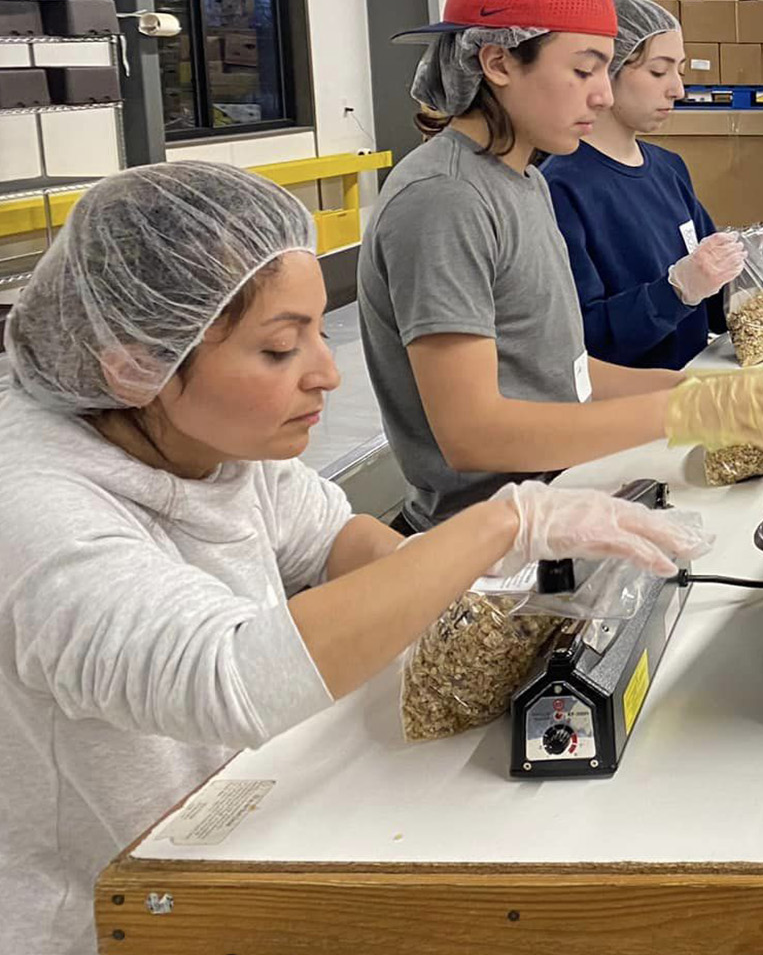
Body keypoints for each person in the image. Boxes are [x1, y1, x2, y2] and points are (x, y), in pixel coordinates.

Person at [0, 163, 713, 955]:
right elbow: (225, 677)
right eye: (279, 348)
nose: (327, 371)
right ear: (135, 364)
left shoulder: (212, 442)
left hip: (243, 836)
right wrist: (498, 528)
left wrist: (485, 606)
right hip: (120, 919)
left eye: (315, 329)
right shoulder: (34, 511)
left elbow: (338, 541)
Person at [359, 0, 763, 532]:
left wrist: (709, 387)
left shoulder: (521, 179)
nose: (601, 94)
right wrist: (683, 410)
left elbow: (567, 374)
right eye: (583, 69)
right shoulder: (446, 200)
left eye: (606, 69)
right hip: (493, 539)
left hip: (565, 488)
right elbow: (471, 435)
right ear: (497, 62)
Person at [542, 0, 763, 370]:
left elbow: (715, 308)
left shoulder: (668, 169)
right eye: (658, 72)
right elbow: (582, 343)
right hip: (628, 411)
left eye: (679, 71)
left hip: (692, 387)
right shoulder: (561, 189)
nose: (678, 90)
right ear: (604, 70)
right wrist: (675, 292)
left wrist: (762, 262)